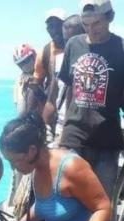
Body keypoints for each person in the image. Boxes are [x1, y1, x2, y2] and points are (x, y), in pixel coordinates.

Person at [57, 0, 124, 198]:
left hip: (107, 141)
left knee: (101, 204)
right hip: (73, 139)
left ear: (110, 17)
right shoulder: (73, 45)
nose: (91, 30)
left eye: (97, 23)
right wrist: (62, 131)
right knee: (67, 201)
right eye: (86, 24)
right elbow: (70, 89)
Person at [0, 112, 113, 221]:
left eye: (15, 161)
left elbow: (103, 207)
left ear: (32, 151)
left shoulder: (71, 168)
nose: (13, 167)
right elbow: (45, 205)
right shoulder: (37, 169)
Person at [28, 8, 67, 141]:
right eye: (51, 26)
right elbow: (36, 84)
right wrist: (28, 119)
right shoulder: (44, 52)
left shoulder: (79, 47)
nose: (55, 30)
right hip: (54, 114)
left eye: (58, 25)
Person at [48, 14, 86, 147]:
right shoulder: (59, 61)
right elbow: (52, 98)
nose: (70, 45)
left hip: (86, 131)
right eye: (66, 41)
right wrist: (45, 126)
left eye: (74, 40)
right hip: (62, 128)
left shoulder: (96, 63)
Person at [13, 44, 37, 114]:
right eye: (21, 64)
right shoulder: (19, 82)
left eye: (27, 61)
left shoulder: (45, 75)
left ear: (33, 57)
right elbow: (19, 108)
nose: (25, 66)